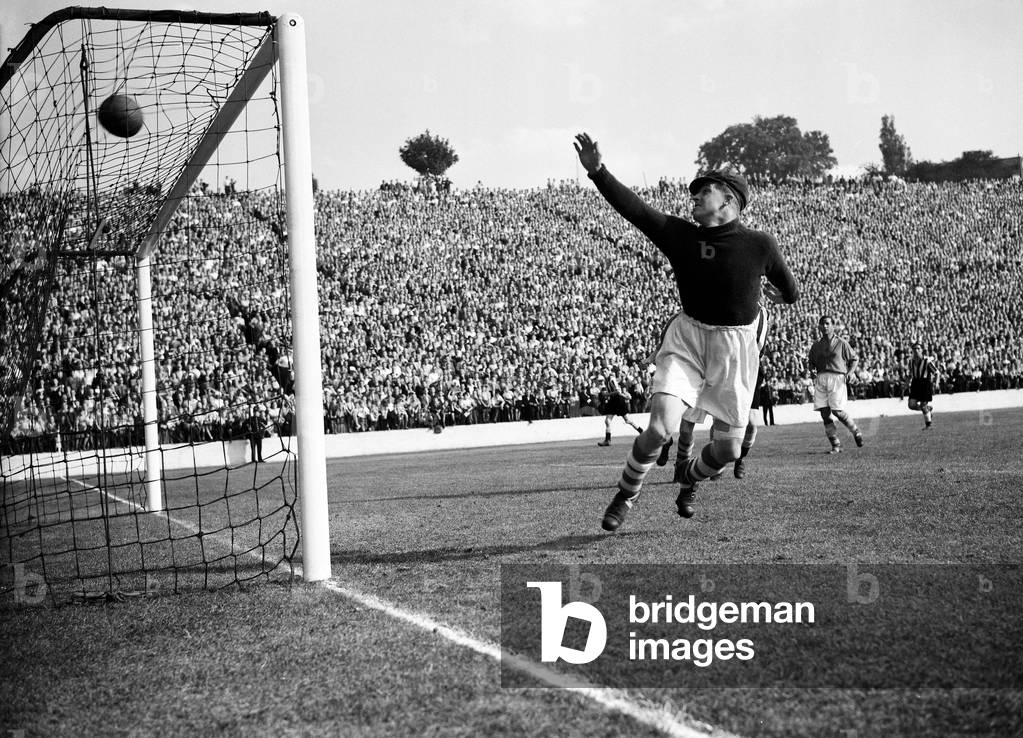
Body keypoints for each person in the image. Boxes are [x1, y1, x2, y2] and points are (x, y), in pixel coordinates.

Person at [573, 132, 799, 532]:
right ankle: (627, 493)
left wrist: (779, 298)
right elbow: (637, 211)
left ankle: (689, 480)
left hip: (735, 347)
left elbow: (791, 291)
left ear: (729, 200)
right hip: (688, 340)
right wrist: (598, 172)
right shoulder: (682, 236)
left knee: (728, 448)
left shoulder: (760, 245)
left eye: (704, 191)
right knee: (660, 429)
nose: (693, 197)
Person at [807, 315, 864, 453]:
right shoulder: (816, 345)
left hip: (837, 377)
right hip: (821, 378)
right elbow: (811, 364)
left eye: (827, 323)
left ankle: (855, 431)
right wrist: (812, 371)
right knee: (825, 414)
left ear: (833, 326)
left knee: (837, 411)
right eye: (822, 324)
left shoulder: (842, 343)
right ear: (819, 327)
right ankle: (836, 445)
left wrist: (850, 373)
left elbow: (854, 359)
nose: (825, 326)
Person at [596, 374, 643, 446]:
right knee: (607, 421)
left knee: (627, 420)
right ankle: (608, 440)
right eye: (599, 380)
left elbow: (617, 391)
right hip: (613, 401)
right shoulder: (606, 383)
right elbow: (615, 392)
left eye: (605, 371)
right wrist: (624, 396)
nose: (600, 381)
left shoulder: (611, 380)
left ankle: (641, 432)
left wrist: (608, 394)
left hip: (618, 401)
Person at [907, 341, 938, 429]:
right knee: (911, 405)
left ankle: (928, 425)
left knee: (923, 405)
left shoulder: (927, 361)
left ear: (921, 350)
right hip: (915, 383)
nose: (916, 350)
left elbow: (936, 373)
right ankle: (928, 410)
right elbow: (910, 374)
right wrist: (906, 384)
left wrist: (936, 383)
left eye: (918, 349)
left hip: (925, 383)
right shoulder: (911, 362)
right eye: (914, 349)